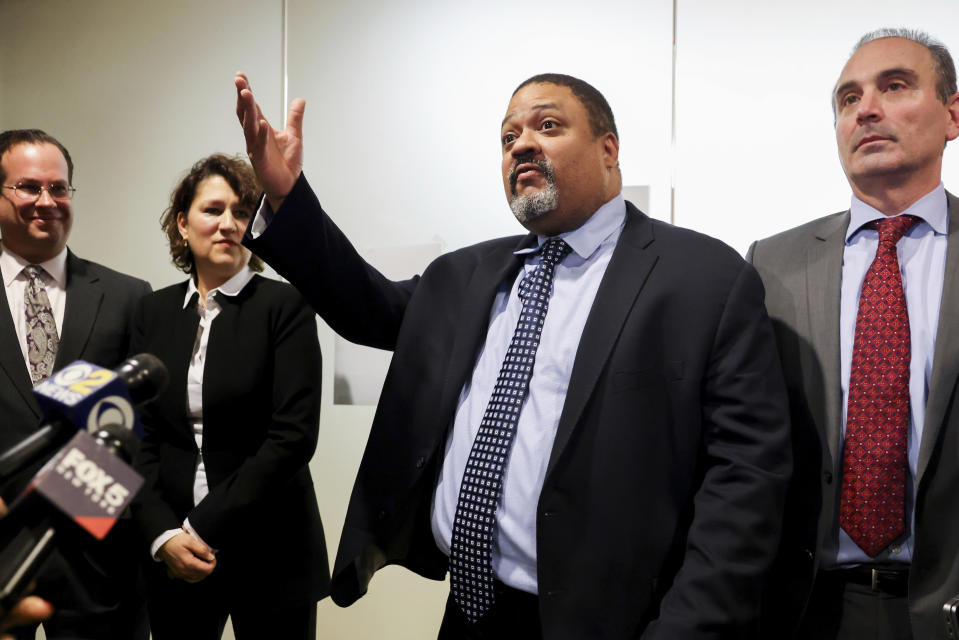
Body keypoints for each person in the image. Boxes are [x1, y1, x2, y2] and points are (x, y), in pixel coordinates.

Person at [236, 71, 792, 639]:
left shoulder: (703, 278)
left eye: (548, 125)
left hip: (617, 622)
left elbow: (746, 477)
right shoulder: (468, 273)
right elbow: (363, 307)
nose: (522, 144)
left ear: (609, 149)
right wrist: (286, 198)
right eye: (508, 137)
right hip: (471, 612)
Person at [748, 28, 959, 640]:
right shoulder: (771, 263)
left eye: (894, 87)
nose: (865, 109)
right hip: (807, 610)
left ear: (951, 114)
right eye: (847, 98)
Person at [130, 153, 328, 639]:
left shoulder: (285, 306)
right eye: (213, 210)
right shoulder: (151, 312)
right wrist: (163, 535)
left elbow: (292, 437)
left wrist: (201, 527)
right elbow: (136, 436)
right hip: (175, 554)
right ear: (182, 224)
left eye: (241, 212)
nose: (228, 224)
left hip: (271, 547)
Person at [0, 129, 151, 639]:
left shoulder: (129, 296)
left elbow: (141, 422)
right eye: (27, 187)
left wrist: (68, 505)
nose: (47, 201)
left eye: (59, 188)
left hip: (100, 556)